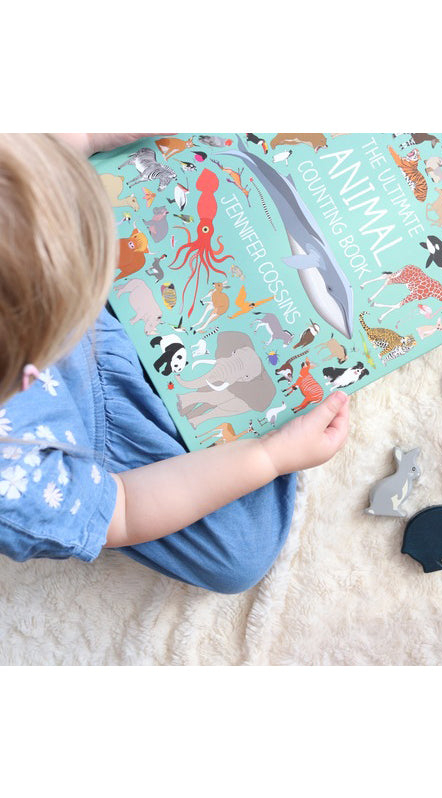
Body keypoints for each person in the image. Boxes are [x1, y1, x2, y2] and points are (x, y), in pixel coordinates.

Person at [0, 133, 350, 593]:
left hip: (64, 277)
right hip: (82, 420)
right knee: (240, 550)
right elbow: (125, 509)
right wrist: (268, 458)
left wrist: (83, 136)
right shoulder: (14, 488)